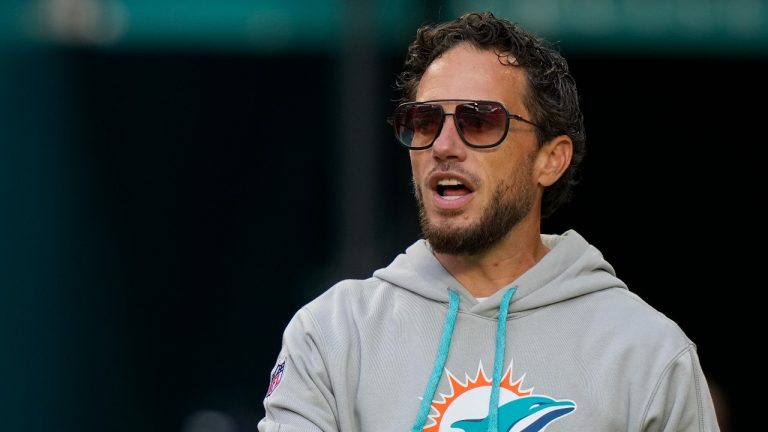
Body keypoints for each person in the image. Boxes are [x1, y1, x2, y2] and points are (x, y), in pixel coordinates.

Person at [258, 11, 720, 432]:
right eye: (423, 120)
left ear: (550, 159)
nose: (443, 145)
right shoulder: (333, 334)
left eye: (479, 121)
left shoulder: (648, 354)